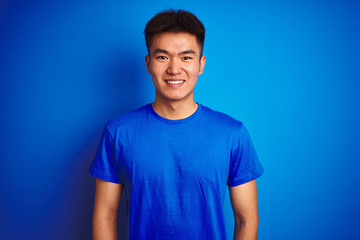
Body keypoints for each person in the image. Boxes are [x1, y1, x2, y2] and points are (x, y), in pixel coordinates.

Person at [89, 9, 264, 240]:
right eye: (163, 57)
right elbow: (105, 216)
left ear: (201, 64)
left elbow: (246, 219)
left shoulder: (232, 134)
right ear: (148, 63)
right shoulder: (118, 132)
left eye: (186, 57)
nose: (174, 68)